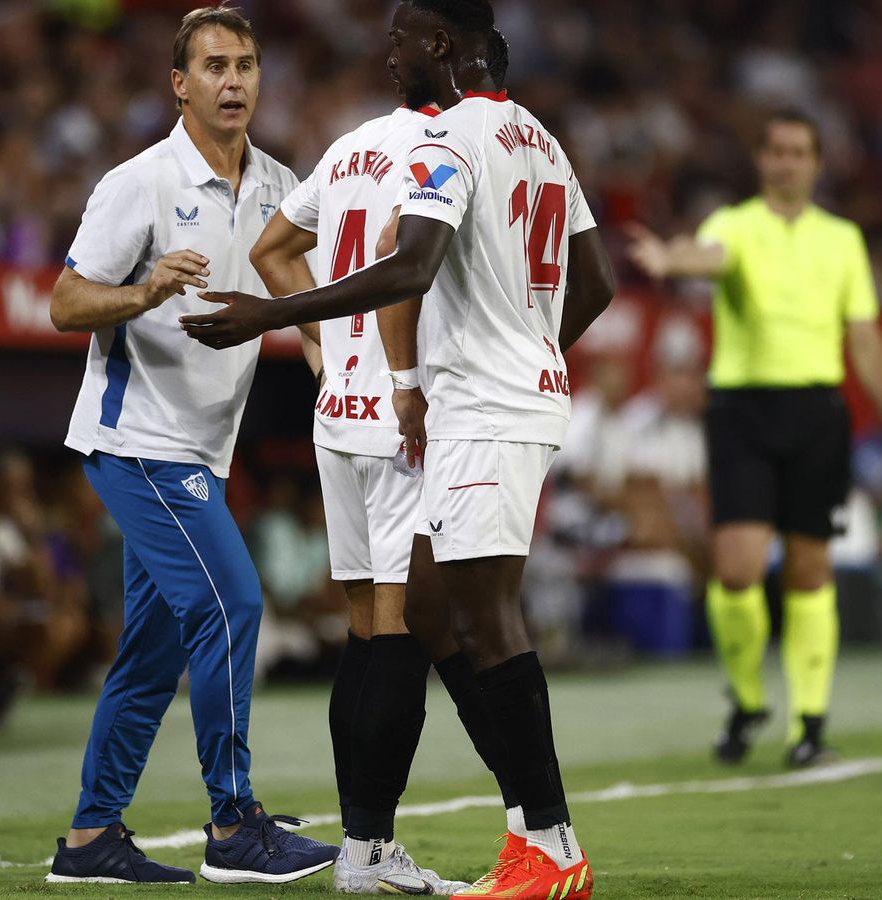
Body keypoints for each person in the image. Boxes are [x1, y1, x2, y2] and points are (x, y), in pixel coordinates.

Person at [180, 2, 615, 896]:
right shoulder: (538, 137)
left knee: (473, 623)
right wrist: (532, 347)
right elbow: (596, 282)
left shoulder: (434, 143)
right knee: (423, 613)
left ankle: (547, 846)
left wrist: (277, 318)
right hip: (452, 406)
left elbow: (404, 268)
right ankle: (464, 842)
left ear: (443, 49)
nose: (387, 56)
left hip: (437, 410)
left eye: (401, 41)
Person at [44, 5, 337, 887]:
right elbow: (63, 303)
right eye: (214, 65)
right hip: (139, 440)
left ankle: (92, 840)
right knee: (233, 605)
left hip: (203, 448)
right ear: (180, 84)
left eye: (245, 64)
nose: (234, 80)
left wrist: (328, 360)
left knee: (156, 648)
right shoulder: (138, 183)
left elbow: (295, 286)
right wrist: (141, 291)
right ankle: (234, 821)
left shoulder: (280, 182)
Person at [245, 27, 519, 897]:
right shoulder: (449, 150)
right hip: (408, 416)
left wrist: (324, 355)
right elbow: (412, 271)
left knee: (367, 628)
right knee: (402, 630)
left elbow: (270, 252)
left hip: (340, 415)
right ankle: (367, 849)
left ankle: (363, 842)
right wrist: (401, 376)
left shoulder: (354, 146)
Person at [625, 109, 882, 768]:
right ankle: (748, 697)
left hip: (817, 410)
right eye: (777, 151)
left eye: (799, 152)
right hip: (742, 411)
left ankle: (809, 722)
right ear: (761, 161)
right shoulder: (736, 225)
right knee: (735, 570)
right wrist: (668, 256)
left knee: (810, 571)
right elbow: (708, 256)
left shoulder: (842, 239)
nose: (787, 162)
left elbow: (866, 338)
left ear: (817, 164)